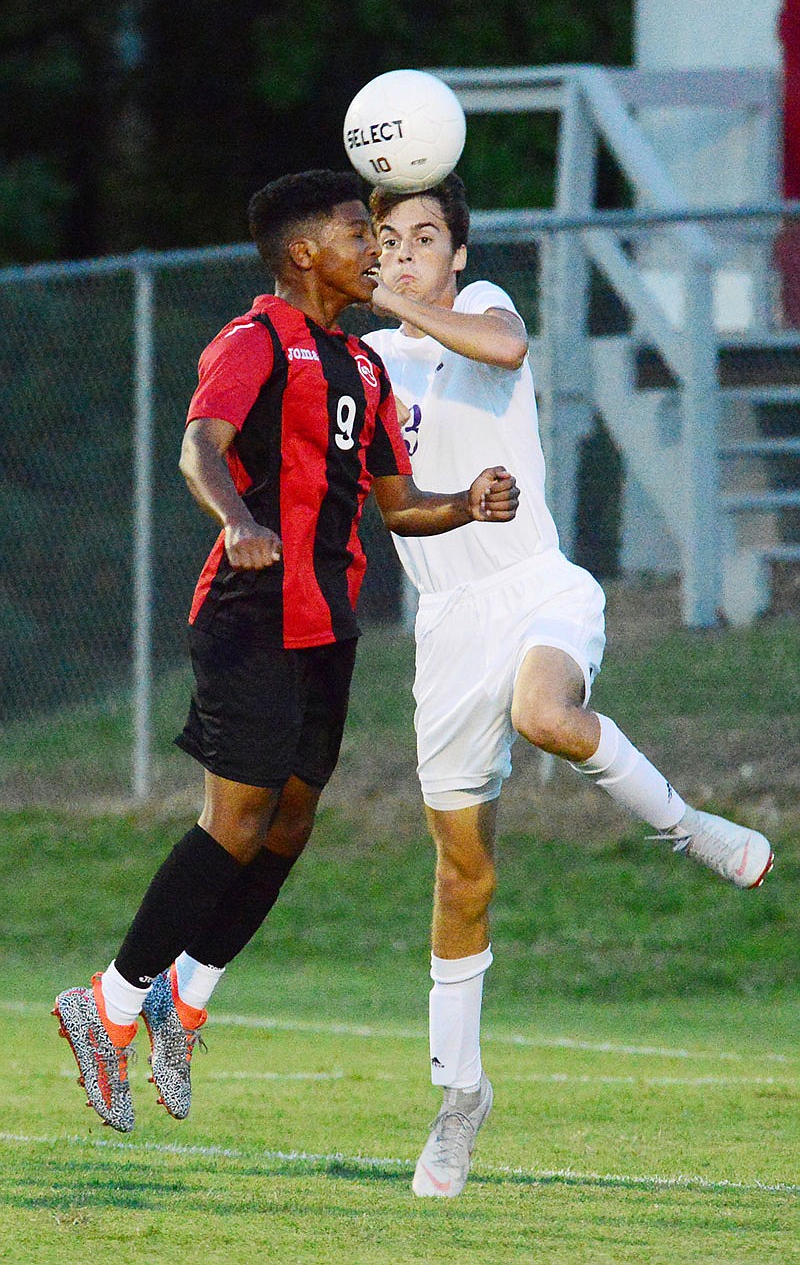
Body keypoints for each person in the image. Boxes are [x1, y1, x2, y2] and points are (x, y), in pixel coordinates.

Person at [53, 169, 519, 1134]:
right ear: (307, 253)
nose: (376, 250)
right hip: (250, 609)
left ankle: (182, 1001)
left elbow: (397, 508)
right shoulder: (254, 339)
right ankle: (103, 1008)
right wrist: (235, 519)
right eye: (360, 233)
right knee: (237, 817)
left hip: (327, 625)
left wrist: (464, 503)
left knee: (292, 824)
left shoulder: (368, 367)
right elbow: (199, 445)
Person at [363, 172, 774, 1199]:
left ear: (456, 256)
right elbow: (395, 507)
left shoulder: (484, 305)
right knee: (462, 878)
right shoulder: (364, 368)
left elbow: (501, 350)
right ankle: (460, 1096)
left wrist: (394, 301)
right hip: (446, 628)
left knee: (543, 712)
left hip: (535, 584)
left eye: (424, 238)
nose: (405, 253)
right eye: (387, 240)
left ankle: (688, 827)